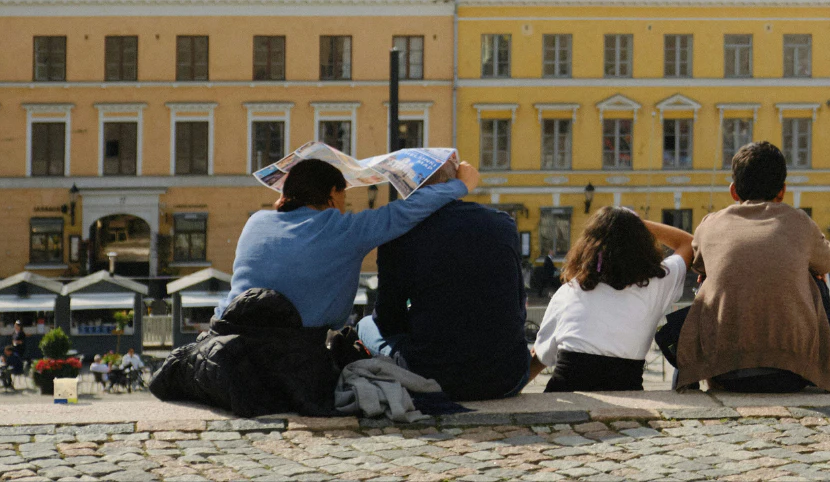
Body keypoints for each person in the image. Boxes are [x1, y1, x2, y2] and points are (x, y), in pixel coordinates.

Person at [220, 156, 476, 330]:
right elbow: (406, 211)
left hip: (226, 339)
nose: (344, 206)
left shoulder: (255, 222)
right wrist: (461, 184)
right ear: (333, 193)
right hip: (295, 352)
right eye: (344, 197)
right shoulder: (344, 230)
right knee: (366, 328)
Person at [358, 160, 535, 401]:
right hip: (509, 377)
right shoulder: (503, 223)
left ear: (409, 188)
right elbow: (518, 304)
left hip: (435, 377)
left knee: (365, 325)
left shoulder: (399, 233)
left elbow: (388, 319)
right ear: (454, 183)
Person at [672, 142, 830, 393]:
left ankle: (685, 380)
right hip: (793, 372)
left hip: (724, 371)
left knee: (706, 282)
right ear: (782, 191)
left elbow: (698, 264)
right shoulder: (800, 222)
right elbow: (828, 263)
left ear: (733, 191)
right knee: (815, 281)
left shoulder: (710, 225)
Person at [534, 207, 692, 392]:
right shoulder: (658, 283)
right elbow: (689, 243)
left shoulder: (570, 290)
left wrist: (611, 225)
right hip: (628, 394)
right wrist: (634, 224)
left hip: (565, 391)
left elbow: (542, 356)